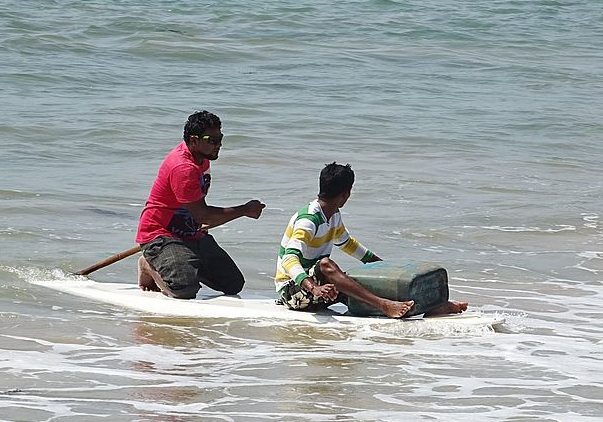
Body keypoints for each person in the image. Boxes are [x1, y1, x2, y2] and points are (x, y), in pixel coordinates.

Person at [274, 162, 468, 318]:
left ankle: (433, 306)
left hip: (318, 288)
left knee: (361, 281)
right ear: (345, 194)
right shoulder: (308, 220)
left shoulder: (333, 214)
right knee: (327, 265)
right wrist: (314, 287)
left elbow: (348, 244)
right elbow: (289, 259)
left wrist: (384, 268)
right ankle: (385, 305)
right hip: (292, 291)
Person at [136, 110, 265, 299]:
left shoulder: (201, 158)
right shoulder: (183, 168)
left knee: (233, 284)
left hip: (190, 233)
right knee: (184, 289)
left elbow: (198, 212)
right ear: (193, 140)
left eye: (219, 138)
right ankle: (148, 264)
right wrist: (245, 210)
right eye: (211, 140)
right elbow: (203, 215)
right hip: (161, 234)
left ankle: (181, 264)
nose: (218, 144)